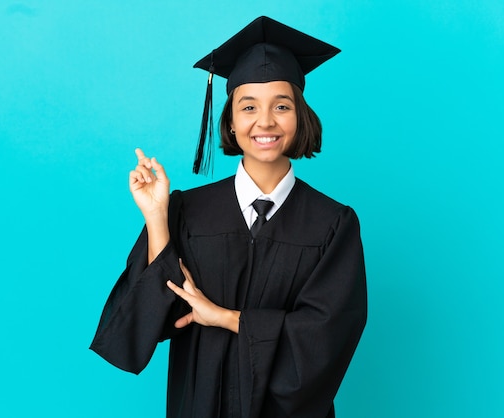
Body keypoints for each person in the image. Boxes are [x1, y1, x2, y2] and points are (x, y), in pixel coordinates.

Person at [90, 16, 367, 418]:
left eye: (282, 106)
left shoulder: (332, 223)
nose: (265, 121)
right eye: (249, 106)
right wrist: (156, 217)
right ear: (231, 122)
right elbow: (150, 318)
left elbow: (327, 335)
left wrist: (226, 318)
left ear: (300, 117)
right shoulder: (186, 210)